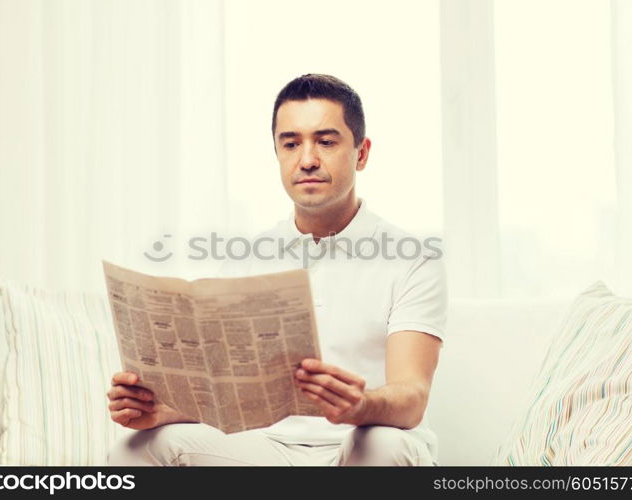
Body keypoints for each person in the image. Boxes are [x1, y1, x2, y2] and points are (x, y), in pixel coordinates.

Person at [106, 74, 447, 466]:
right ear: (278, 153)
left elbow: (412, 398)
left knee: (383, 445)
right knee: (137, 448)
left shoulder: (412, 258)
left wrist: (360, 406)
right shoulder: (246, 257)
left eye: (326, 141)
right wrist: (159, 410)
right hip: (267, 449)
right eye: (291, 143)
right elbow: (225, 397)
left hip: (360, 445)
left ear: (361, 153)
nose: (307, 160)